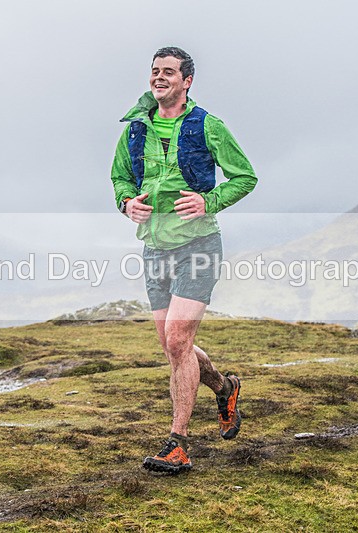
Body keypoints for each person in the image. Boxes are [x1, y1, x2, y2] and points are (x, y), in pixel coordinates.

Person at [110, 47, 257, 474]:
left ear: (186, 80)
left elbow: (245, 176)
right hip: (155, 248)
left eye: (168, 72)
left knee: (177, 341)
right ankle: (225, 387)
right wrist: (126, 203)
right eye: (155, 72)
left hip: (198, 246)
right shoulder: (135, 130)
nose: (159, 78)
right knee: (177, 347)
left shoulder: (208, 125)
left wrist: (209, 200)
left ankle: (178, 444)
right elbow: (120, 177)